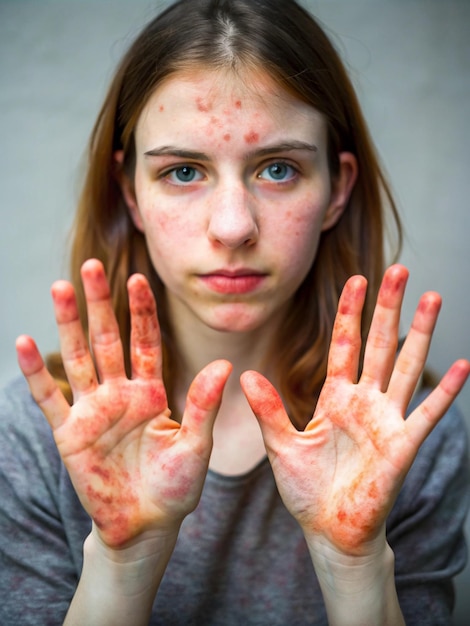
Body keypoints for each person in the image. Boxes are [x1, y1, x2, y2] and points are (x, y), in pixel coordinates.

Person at [0, 0, 468, 624]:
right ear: (130, 193)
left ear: (338, 188)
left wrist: (355, 564)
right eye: (183, 171)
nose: (233, 226)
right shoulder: (39, 437)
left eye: (279, 169)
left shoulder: (405, 437)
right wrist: (123, 561)